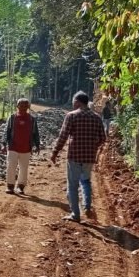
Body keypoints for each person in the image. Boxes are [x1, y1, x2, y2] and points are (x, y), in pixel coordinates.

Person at [51, 91, 106, 221]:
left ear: (77, 102)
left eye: (73, 101)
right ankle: (87, 206)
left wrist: (55, 152)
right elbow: (103, 138)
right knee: (86, 181)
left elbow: (63, 136)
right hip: (89, 157)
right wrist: (92, 146)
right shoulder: (96, 117)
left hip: (74, 155)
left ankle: (76, 214)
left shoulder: (71, 116)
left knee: (73, 185)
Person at [1, 98, 40, 195]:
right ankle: (10, 186)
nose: (22, 108)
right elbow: (7, 132)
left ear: (28, 107)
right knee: (10, 167)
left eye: (25, 106)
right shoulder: (12, 118)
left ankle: (20, 187)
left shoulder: (32, 119)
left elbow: (35, 133)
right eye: (20, 105)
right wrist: (3, 144)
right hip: (13, 147)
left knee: (24, 168)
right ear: (17, 106)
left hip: (26, 149)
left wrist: (37, 145)